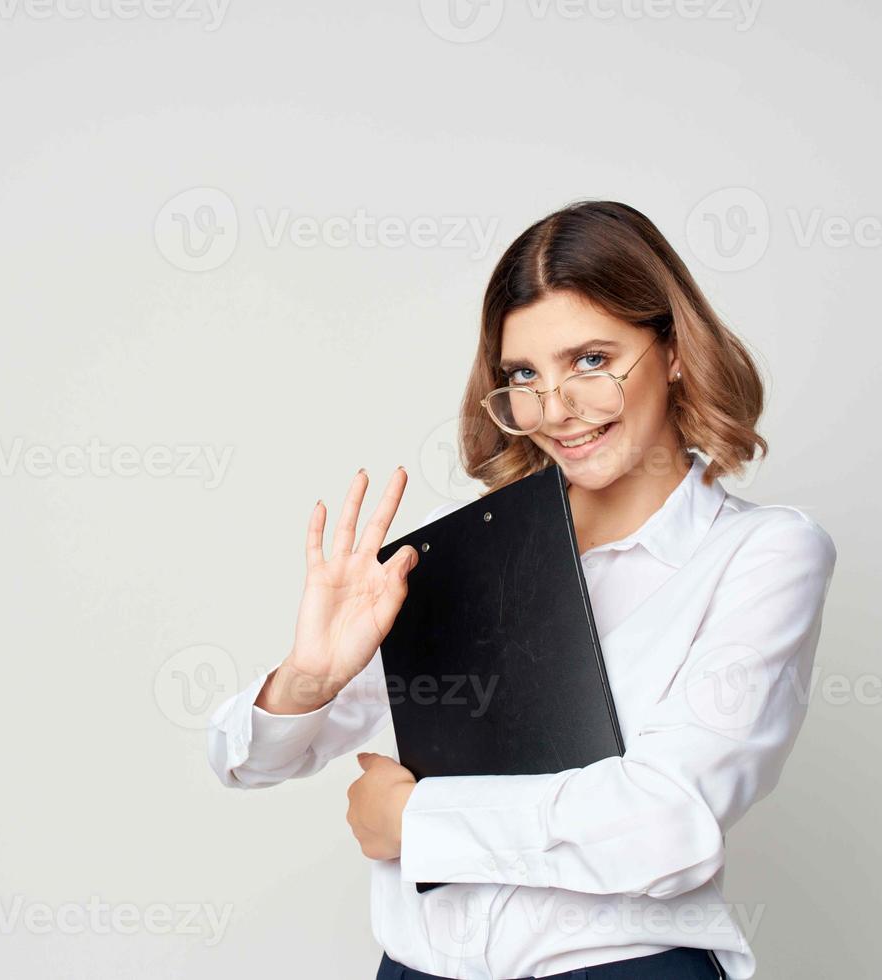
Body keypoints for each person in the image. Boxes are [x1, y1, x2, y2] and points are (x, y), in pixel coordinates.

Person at [204, 201, 838, 980]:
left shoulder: (761, 554)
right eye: (523, 376)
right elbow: (246, 763)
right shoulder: (462, 547)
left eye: (593, 361)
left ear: (672, 350)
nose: (556, 409)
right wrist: (308, 679)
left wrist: (415, 821)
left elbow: (668, 823)